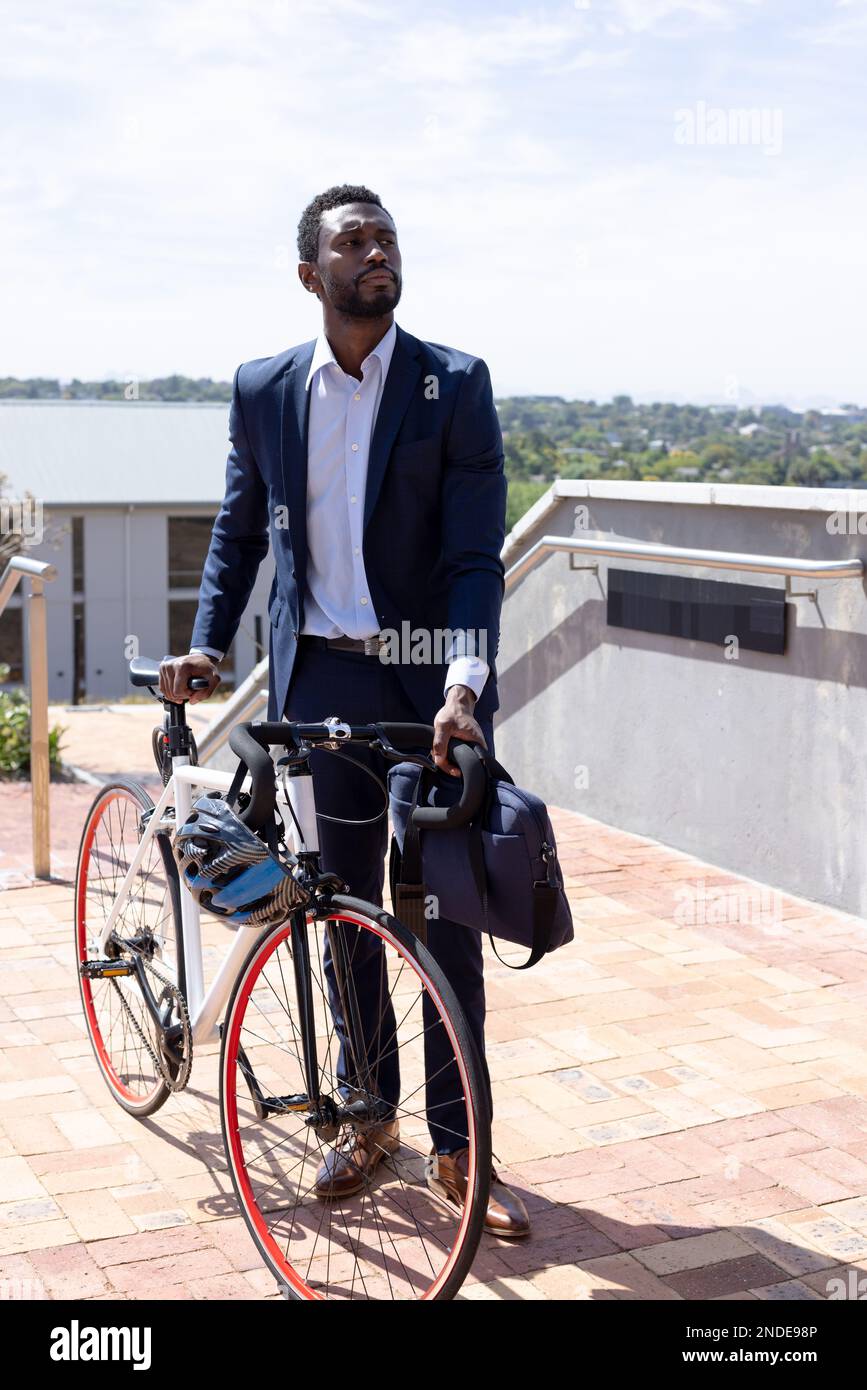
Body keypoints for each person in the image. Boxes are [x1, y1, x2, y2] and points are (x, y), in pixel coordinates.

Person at [160, 183, 529, 1238]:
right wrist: (206, 640)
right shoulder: (267, 389)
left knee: (448, 914)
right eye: (352, 239)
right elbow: (240, 531)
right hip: (317, 681)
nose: (376, 250)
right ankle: (369, 1119)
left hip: (430, 692)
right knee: (339, 909)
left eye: (386, 236)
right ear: (309, 274)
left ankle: (463, 1153)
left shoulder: (453, 385)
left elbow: (472, 561)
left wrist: (466, 684)